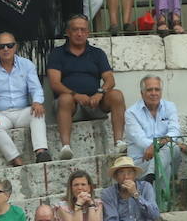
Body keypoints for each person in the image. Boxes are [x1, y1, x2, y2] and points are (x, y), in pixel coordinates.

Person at [47, 15, 127, 162]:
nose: (79, 33)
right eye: (75, 30)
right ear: (68, 32)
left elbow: (110, 79)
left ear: (88, 33)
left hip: (95, 103)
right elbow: (55, 83)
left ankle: (119, 142)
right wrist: (75, 95)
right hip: (71, 105)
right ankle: (66, 147)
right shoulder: (57, 54)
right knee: (65, 98)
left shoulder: (97, 53)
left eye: (83, 30)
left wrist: (100, 93)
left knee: (116, 95)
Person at [0, 32, 48, 166]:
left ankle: (41, 152)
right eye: (2, 46)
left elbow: (36, 88)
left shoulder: (26, 64)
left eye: (9, 45)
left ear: (15, 47)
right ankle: (15, 159)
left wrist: (37, 101)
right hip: (1, 114)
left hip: (22, 111)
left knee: (38, 112)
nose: (6, 49)